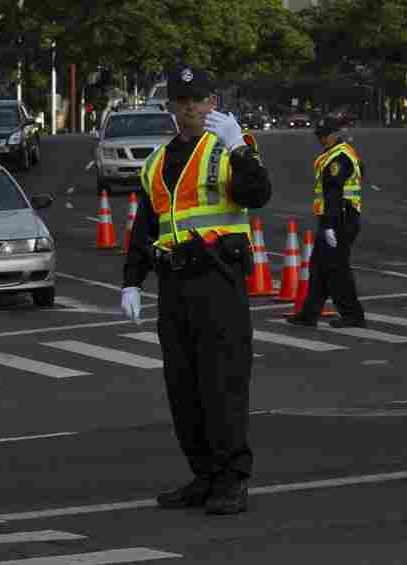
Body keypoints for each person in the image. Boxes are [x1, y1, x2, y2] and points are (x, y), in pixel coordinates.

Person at [119, 64, 271, 516]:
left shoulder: (228, 149)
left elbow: (258, 194)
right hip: (174, 285)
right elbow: (145, 225)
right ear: (171, 107)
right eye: (182, 102)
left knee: (222, 384)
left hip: (217, 280)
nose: (190, 109)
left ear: (213, 104)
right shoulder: (157, 161)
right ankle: (204, 475)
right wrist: (131, 280)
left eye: (198, 101)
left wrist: (239, 146)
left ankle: (232, 480)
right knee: (183, 387)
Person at [286, 116, 365, 328]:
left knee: (337, 269)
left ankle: (353, 316)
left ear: (335, 134)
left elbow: (333, 193)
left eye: (325, 135)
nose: (321, 139)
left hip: (340, 219)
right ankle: (309, 314)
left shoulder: (339, 158)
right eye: (319, 135)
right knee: (319, 267)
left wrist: (329, 224)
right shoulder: (337, 154)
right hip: (335, 218)